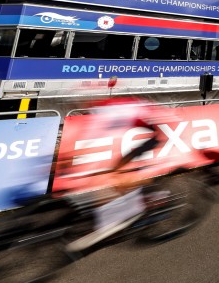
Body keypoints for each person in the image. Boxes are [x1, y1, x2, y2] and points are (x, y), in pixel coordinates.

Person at [63, 96, 164, 252]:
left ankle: (135, 205)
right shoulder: (101, 110)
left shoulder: (103, 111)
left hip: (147, 129)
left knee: (112, 173)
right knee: (105, 171)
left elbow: (92, 142)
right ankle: (129, 200)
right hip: (131, 128)